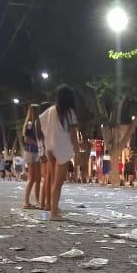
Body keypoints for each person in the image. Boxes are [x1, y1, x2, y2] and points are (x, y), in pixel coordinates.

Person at [40, 86, 80, 220]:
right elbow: (73, 134)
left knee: (52, 180)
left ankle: (53, 207)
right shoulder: (69, 112)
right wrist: (77, 151)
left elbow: (41, 123)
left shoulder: (50, 110)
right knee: (58, 182)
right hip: (62, 147)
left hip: (50, 146)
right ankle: (53, 213)